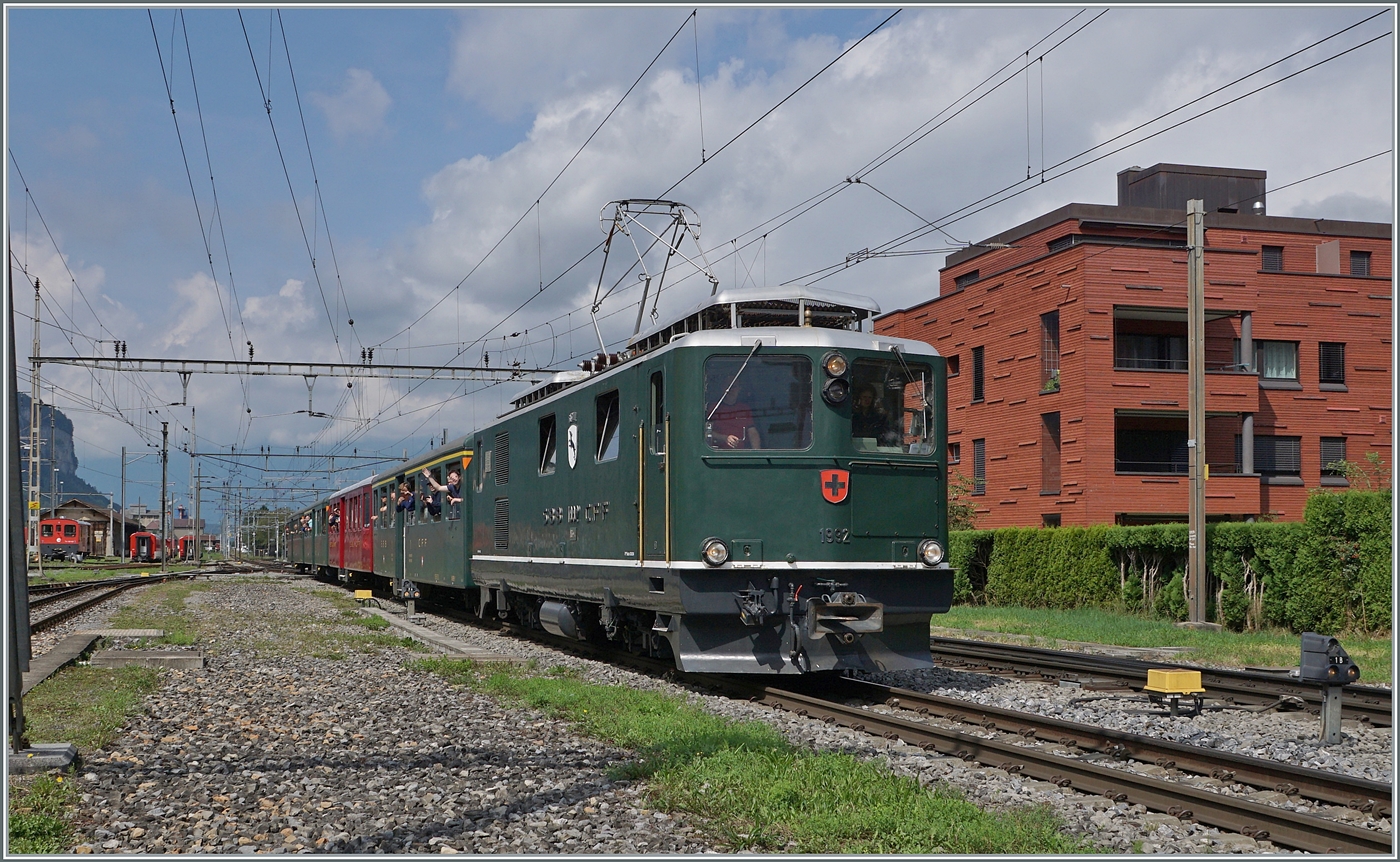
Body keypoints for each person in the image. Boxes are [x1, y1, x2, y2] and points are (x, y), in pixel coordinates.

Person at [708, 385, 761, 449]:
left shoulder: (744, 408)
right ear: (723, 388)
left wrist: (755, 453)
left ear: (739, 389)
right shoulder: (714, 408)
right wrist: (724, 438)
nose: (731, 390)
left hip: (740, 453)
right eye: (728, 387)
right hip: (718, 453)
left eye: (734, 387)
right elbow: (707, 432)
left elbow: (752, 433)